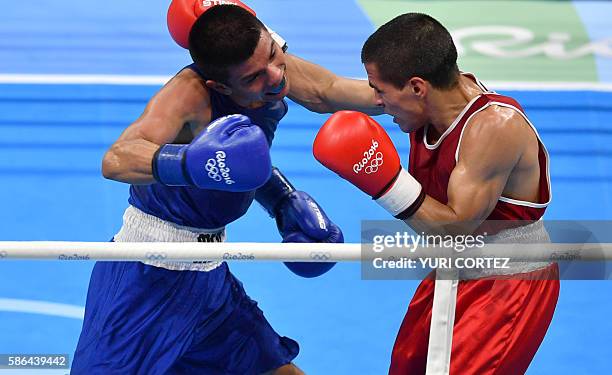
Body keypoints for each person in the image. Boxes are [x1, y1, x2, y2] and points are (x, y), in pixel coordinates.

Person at [71, 2, 350, 374]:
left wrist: (282, 199)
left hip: (209, 276)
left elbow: (239, 162)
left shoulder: (262, 78)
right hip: (147, 277)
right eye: (253, 76)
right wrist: (187, 163)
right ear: (222, 82)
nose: (275, 75)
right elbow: (117, 159)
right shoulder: (189, 93)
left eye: (274, 54)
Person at [312, 13, 560, 375]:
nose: (376, 101)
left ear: (417, 87)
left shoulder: (494, 127)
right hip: (453, 271)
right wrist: (267, 51)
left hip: (508, 285)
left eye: (379, 90)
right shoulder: (427, 101)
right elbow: (325, 90)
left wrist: (387, 183)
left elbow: (454, 230)